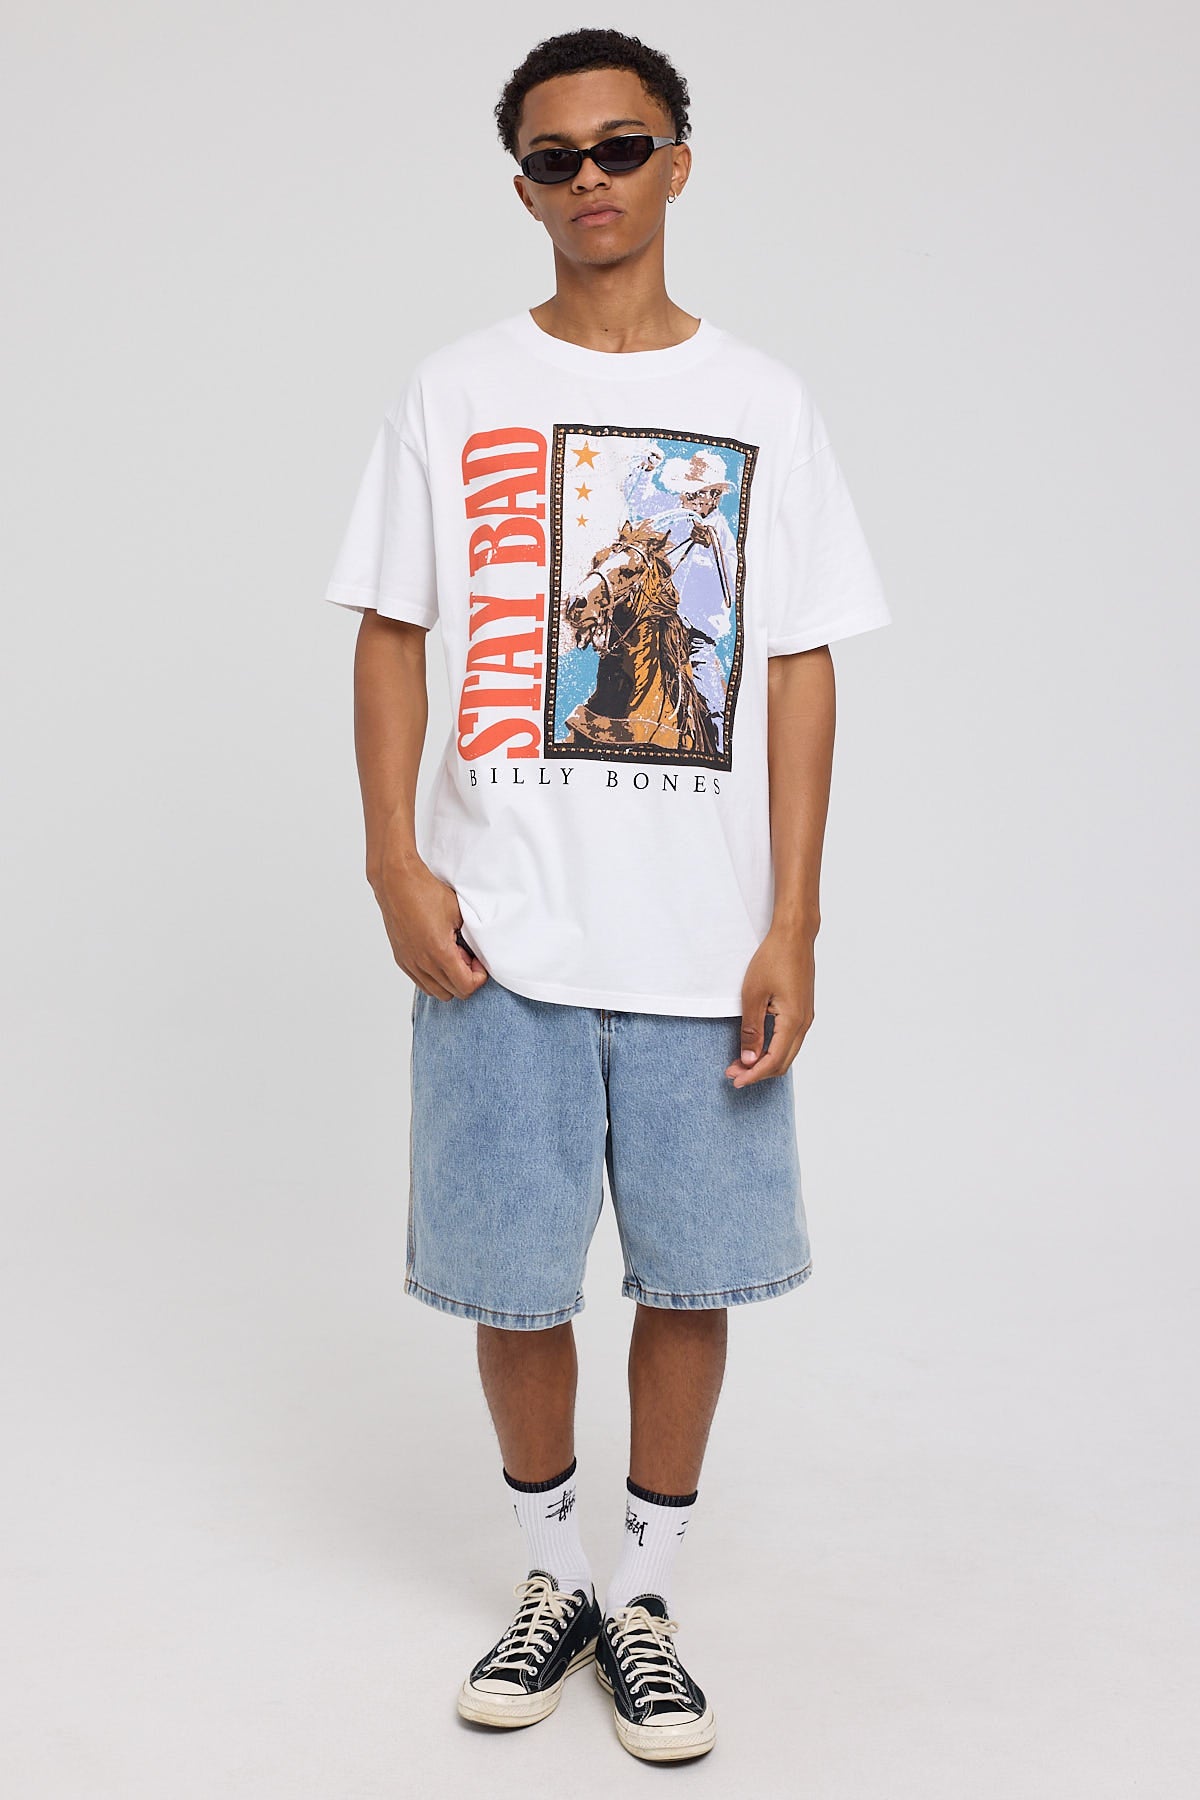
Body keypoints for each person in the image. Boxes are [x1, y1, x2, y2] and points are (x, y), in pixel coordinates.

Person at [322, 27, 892, 1766]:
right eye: (556, 158)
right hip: (499, 934)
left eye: (622, 147)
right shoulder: (454, 389)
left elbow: (798, 664)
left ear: (678, 165)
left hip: (701, 942)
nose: (592, 180)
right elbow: (393, 632)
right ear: (523, 189)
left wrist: (794, 920)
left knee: (690, 1275)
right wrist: (394, 859)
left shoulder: (764, 403)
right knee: (514, 1285)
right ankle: (552, 1573)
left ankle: (644, 1593)